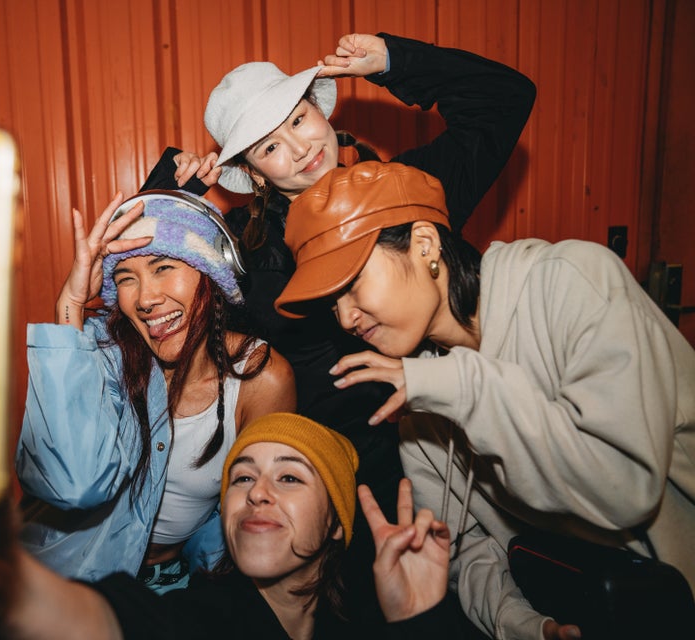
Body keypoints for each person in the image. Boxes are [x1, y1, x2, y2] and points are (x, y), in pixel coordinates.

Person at [141, 30, 535, 622]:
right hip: (324, 481)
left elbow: (505, 100)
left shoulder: (403, 194)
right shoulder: (245, 252)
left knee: (467, 596)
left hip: (443, 444)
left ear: (322, 115)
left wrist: (395, 62)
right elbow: (139, 282)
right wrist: (168, 195)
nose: (299, 149)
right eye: (270, 147)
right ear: (255, 174)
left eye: (300, 121)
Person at [273, 160, 695, 640]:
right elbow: (464, 546)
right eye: (333, 304)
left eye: (351, 285)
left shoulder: (572, 282)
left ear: (425, 244)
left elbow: (626, 491)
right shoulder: (421, 397)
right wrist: (525, 624)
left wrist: (460, 387)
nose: (345, 318)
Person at [0, 371, 466, 639]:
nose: (257, 492)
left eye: (291, 479)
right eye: (241, 478)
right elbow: (107, 623)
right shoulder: (199, 617)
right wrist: (7, 587)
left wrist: (420, 622)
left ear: (335, 526)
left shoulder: (375, 623)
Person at [15, 190, 296, 592]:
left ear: (212, 272)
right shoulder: (100, 355)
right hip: (61, 576)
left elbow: (257, 510)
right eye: (126, 278)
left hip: (176, 584)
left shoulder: (261, 378)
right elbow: (69, 483)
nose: (145, 298)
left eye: (163, 267)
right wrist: (71, 305)